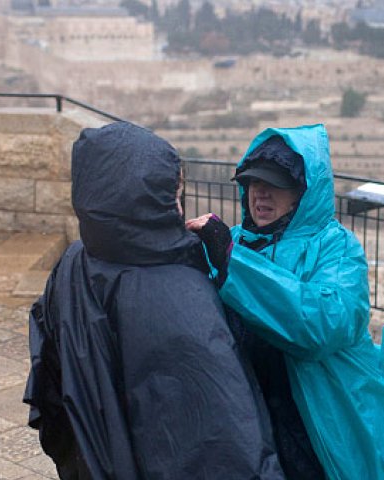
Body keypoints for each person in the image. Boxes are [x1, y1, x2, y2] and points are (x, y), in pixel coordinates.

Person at [187, 124, 384, 480]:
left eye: (275, 185)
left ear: (303, 192)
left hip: (318, 417)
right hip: (251, 408)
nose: (261, 194)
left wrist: (232, 263)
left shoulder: (337, 248)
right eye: (254, 183)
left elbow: (324, 325)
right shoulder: (236, 242)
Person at [23, 121, 284, 480]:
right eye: (171, 195)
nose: (176, 208)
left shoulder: (73, 263)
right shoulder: (180, 294)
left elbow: (50, 371)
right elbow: (226, 438)